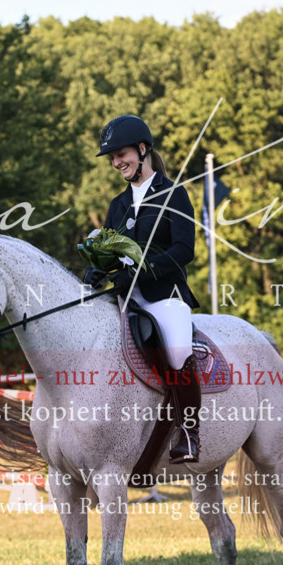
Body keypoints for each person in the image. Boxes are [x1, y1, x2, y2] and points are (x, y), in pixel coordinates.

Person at [83, 115, 202, 464]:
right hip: (123, 296)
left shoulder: (173, 194)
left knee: (178, 352)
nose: (117, 162)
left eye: (122, 154)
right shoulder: (117, 206)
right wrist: (95, 270)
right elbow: (107, 248)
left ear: (142, 149)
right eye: (112, 158)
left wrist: (142, 268)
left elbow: (184, 250)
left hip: (165, 295)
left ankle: (189, 432)